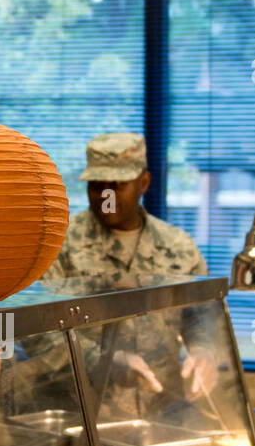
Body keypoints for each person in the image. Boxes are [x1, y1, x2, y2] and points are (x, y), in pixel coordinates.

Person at [42, 132, 218, 421]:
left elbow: (201, 316)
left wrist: (204, 352)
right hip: (86, 418)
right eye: (97, 186)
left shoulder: (178, 247)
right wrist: (102, 361)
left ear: (144, 183)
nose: (105, 196)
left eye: (117, 185)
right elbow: (41, 333)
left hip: (163, 416)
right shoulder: (57, 246)